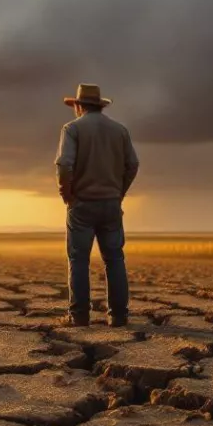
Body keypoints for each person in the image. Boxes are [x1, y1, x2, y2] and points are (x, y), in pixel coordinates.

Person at [54, 83, 139, 327]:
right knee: (114, 259)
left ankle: (79, 316)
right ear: (99, 106)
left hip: (82, 204)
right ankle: (118, 316)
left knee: (79, 259)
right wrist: (118, 192)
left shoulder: (72, 128)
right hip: (111, 204)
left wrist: (66, 193)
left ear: (79, 106)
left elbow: (64, 165)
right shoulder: (119, 130)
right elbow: (132, 164)